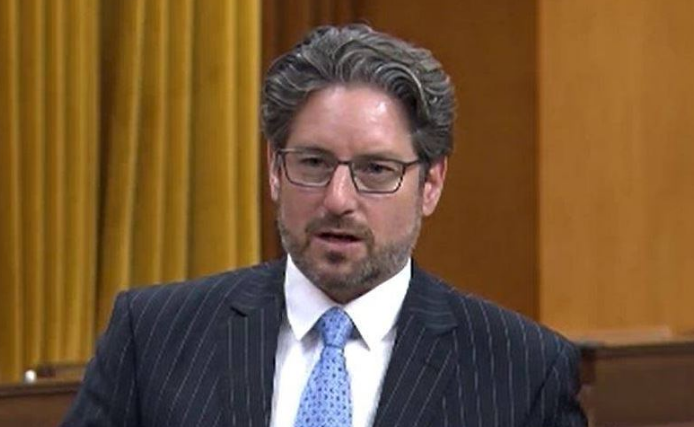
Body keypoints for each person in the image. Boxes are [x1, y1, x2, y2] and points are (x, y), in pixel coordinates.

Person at [62, 24, 586, 427]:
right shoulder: (154, 337)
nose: (338, 200)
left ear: (431, 183)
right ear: (275, 170)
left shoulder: (522, 370)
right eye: (313, 163)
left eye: (375, 170)